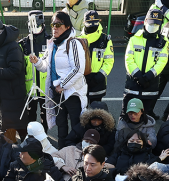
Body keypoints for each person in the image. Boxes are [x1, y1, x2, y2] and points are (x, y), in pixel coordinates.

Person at [30, 11, 87, 148]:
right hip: (57, 93)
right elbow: (46, 68)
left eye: (58, 25)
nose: (54, 27)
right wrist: (37, 62)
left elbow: (78, 69)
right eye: (53, 24)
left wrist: (62, 84)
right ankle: (62, 154)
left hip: (72, 93)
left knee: (76, 126)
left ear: (67, 27)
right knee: (61, 127)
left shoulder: (73, 43)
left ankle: (76, 154)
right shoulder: (52, 44)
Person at [0, 16, 27, 142]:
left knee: (18, 130)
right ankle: (12, 153)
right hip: (3, 96)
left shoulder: (13, 47)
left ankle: (23, 152)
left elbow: (15, 70)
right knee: (7, 129)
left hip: (14, 96)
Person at [123, 9, 169, 118]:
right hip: (133, 83)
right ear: (145, 21)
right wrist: (137, 75)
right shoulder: (134, 39)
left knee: (145, 118)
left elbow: (162, 61)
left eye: (156, 24)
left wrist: (149, 75)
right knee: (126, 115)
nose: (153, 26)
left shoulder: (163, 42)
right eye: (151, 22)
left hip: (150, 84)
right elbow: (128, 58)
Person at [20, 10, 50, 124]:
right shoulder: (23, 44)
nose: (36, 28)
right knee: (30, 116)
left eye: (38, 25)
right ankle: (31, 138)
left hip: (45, 89)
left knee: (46, 115)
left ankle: (44, 137)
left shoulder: (50, 41)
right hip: (30, 89)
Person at [78, 10, 114, 104]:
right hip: (81, 80)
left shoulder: (105, 40)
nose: (92, 27)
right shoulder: (78, 40)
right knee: (82, 113)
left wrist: (100, 75)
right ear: (84, 23)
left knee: (96, 113)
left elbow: (109, 61)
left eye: (95, 23)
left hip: (98, 81)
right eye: (90, 24)